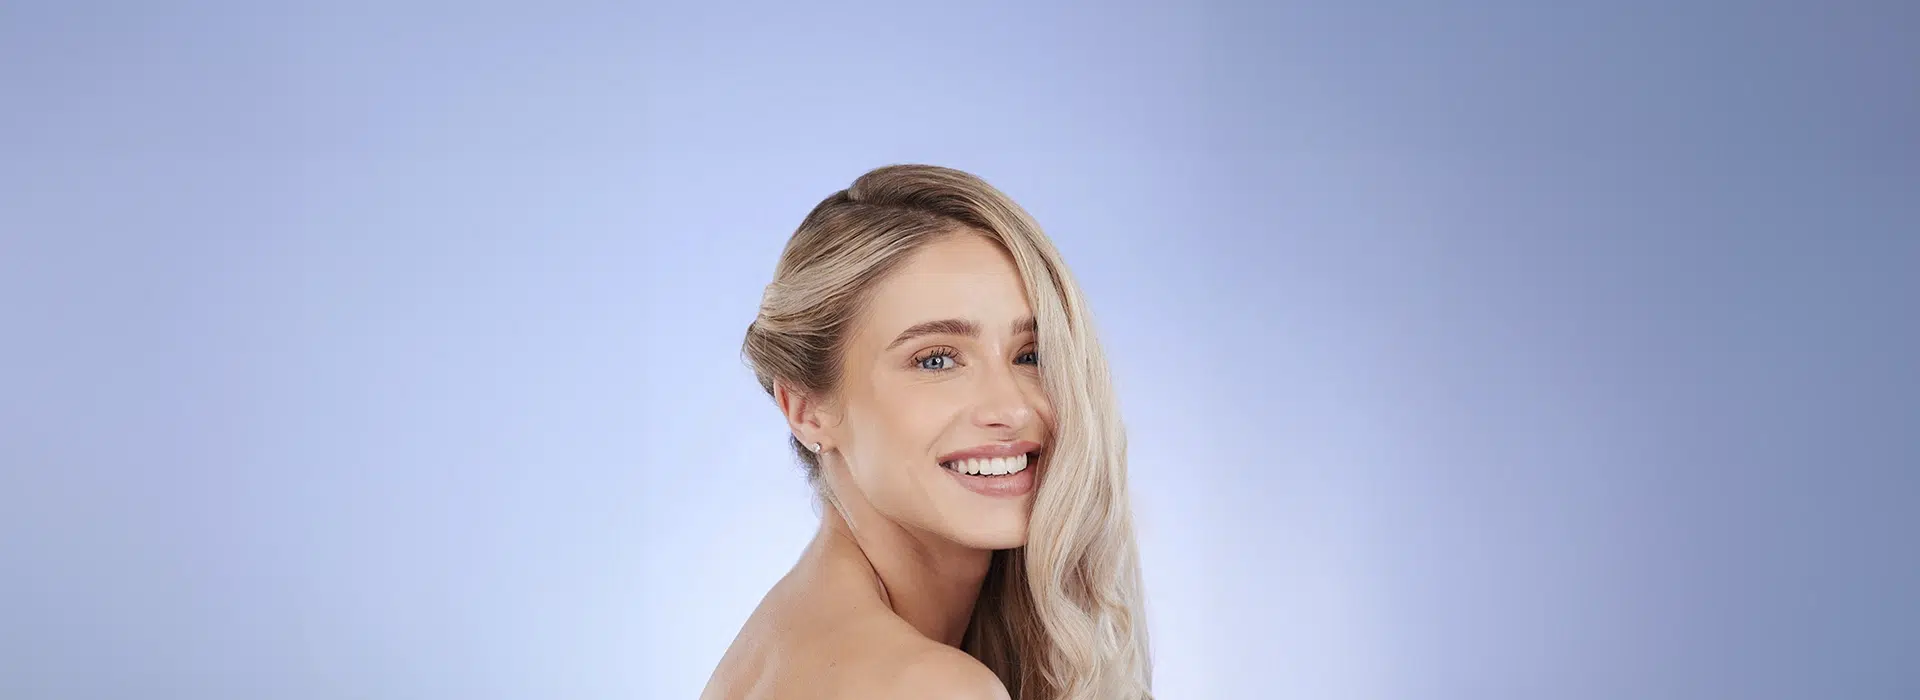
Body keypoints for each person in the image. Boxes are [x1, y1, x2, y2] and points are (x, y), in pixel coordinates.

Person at [701, 164, 1153, 700]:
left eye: (1031, 355)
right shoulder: (932, 686)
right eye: (936, 359)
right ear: (806, 409)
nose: (1011, 408)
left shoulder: (779, 642)